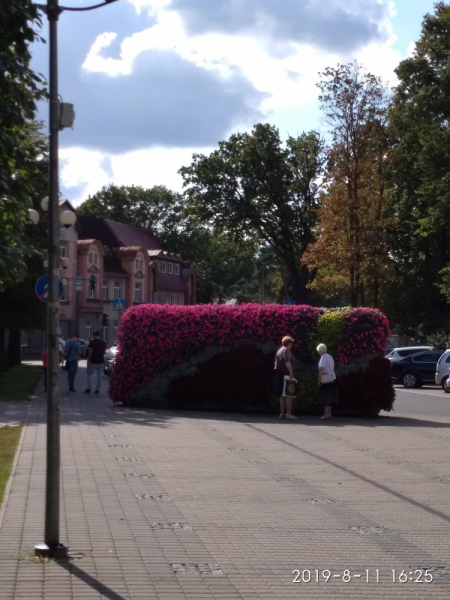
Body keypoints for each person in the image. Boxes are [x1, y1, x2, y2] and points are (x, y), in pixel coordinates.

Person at [274, 336, 297, 419]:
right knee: (288, 394)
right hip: (286, 375)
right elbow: (287, 362)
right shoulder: (286, 350)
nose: (292, 345)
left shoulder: (280, 350)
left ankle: (282, 413)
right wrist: (291, 372)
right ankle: (289, 414)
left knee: (282, 395)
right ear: (289, 343)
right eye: (291, 343)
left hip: (279, 374)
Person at [317, 343, 338, 419]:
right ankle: (329, 413)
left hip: (325, 379)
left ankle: (326, 414)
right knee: (330, 396)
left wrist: (319, 378)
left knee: (325, 396)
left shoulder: (323, 357)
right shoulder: (330, 356)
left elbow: (321, 368)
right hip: (332, 377)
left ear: (320, 350)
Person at [84, 330, 107, 395]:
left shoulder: (92, 342)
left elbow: (90, 352)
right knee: (99, 375)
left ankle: (89, 389)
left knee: (89, 374)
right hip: (101, 360)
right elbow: (105, 352)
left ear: (94, 335)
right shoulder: (103, 342)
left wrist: (88, 360)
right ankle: (97, 390)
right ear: (99, 335)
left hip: (93, 360)